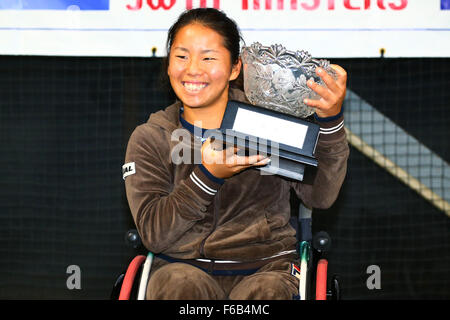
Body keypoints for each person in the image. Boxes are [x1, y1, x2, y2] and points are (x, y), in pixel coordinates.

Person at [123, 7, 349, 300]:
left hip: (267, 268)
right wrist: (207, 177)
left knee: (267, 293)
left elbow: (320, 195)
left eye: (208, 57)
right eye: (181, 56)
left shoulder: (266, 121)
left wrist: (330, 121)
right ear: (168, 65)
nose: (193, 68)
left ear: (235, 68)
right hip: (180, 266)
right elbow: (153, 234)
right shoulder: (151, 138)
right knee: (179, 287)